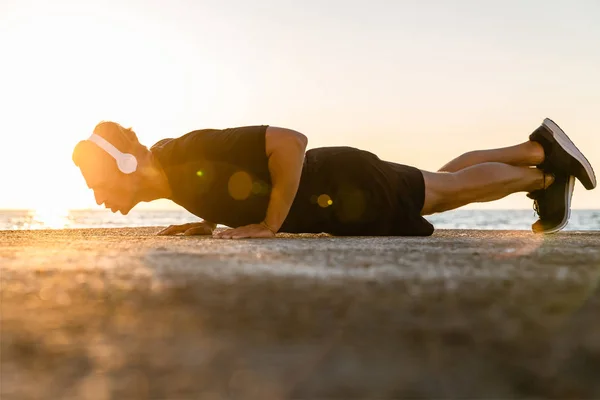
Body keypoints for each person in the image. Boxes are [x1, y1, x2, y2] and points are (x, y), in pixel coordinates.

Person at [72, 118, 596, 239]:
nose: (98, 198)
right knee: (437, 182)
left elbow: (289, 142)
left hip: (345, 183)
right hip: (342, 186)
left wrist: (270, 224)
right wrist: (210, 220)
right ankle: (534, 150)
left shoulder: (189, 151)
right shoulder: (178, 174)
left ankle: (544, 177)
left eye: (97, 184)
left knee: (446, 191)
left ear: (122, 165)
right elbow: (238, 183)